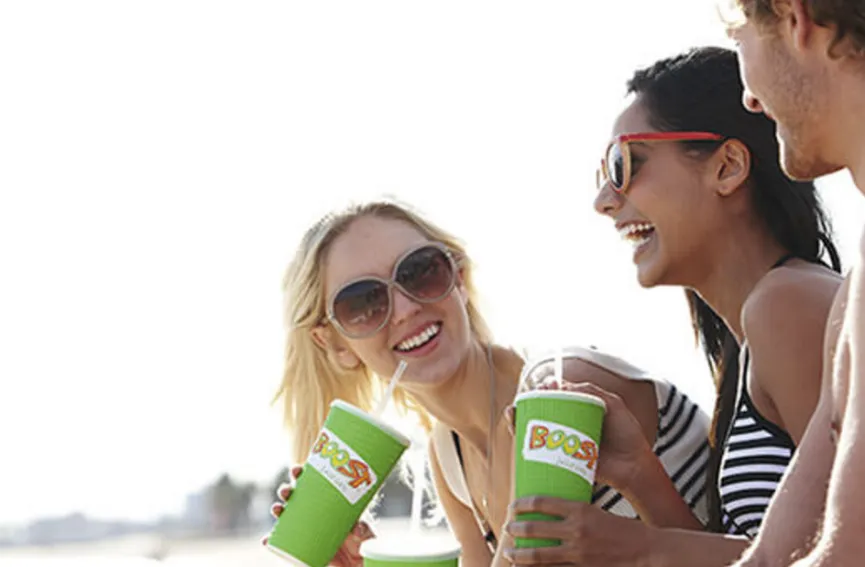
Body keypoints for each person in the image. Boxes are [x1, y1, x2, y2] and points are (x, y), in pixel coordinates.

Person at [502, 46, 843, 567]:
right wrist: (639, 473)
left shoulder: (787, 305)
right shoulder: (748, 341)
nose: (604, 200)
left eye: (624, 164)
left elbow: (847, 548)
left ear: (727, 167)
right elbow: (761, 554)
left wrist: (637, 546)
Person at [262, 199, 710, 566]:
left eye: (420, 271)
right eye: (363, 303)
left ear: (458, 278)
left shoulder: (559, 391)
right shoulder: (449, 454)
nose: (405, 309)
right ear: (335, 344)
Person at [723, 1, 865, 565]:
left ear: (795, 18)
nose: (750, 100)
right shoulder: (853, 291)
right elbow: (767, 558)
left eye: (739, 39)